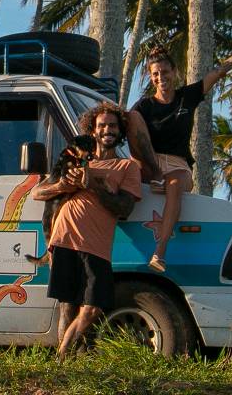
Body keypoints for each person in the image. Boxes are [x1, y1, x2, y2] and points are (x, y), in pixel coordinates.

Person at [126, 28, 232, 272]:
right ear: (151, 77)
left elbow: (220, 70)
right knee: (129, 119)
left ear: (174, 72)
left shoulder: (187, 96)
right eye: (155, 74)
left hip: (177, 165)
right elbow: (128, 131)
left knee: (174, 185)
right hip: (150, 163)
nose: (160, 77)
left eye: (164, 72)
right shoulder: (144, 106)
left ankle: (159, 254)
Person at [34, 102, 142, 358]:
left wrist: (91, 184)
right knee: (67, 305)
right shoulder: (76, 158)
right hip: (64, 237)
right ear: (93, 130)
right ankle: (67, 363)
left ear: (120, 131)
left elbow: (124, 208)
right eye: (102, 125)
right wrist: (63, 185)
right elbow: (37, 193)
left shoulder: (127, 168)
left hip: (96, 245)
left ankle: (61, 356)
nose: (107, 130)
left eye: (113, 126)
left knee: (93, 307)